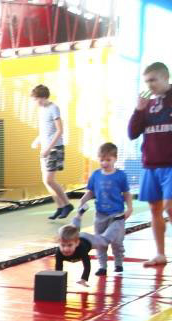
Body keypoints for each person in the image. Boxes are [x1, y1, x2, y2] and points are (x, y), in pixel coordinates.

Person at [128, 61, 172, 267]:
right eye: (146, 81)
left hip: (171, 165)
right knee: (155, 210)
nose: (149, 85)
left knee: (170, 208)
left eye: (153, 80)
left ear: (166, 78)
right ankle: (160, 254)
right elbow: (132, 133)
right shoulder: (147, 105)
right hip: (151, 165)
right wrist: (138, 109)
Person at [71, 142, 131, 276]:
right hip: (100, 215)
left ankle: (118, 263)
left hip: (117, 215)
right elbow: (91, 192)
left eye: (108, 160)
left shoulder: (120, 175)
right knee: (99, 241)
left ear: (115, 159)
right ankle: (102, 266)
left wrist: (129, 208)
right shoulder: (96, 175)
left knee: (117, 242)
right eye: (102, 160)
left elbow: (127, 193)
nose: (104, 163)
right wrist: (82, 201)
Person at [30, 85, 72, 220]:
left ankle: (67, 204)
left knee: (49, 179)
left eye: (35, 99)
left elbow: (59, 130)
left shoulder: (54, 108)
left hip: (54, 149)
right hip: (45, 149)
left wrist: (48, 148)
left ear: (42, 97)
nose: (34, 102)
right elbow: (45, 131)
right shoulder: (41, 111)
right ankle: (59, 207)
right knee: (46, 181)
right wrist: (37, 141)